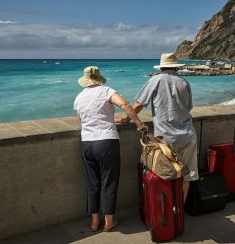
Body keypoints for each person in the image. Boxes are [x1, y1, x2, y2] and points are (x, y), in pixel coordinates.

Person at [74, 66, 148, 232]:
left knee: (93, 184)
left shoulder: (79, 97)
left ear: (85, 80)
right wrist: (139, 124)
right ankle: (109, 222)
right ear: (98, 78)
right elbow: (125, 104)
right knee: (109, 182)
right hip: (106, 141)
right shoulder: (106, 91)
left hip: (87, 142)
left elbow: (82, 119)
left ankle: (94, 222)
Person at [117, 53, 199, 203]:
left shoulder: (155, 80)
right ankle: (179, 212)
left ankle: (166, 212)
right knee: (186, 176)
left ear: (161, 66)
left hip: (166, 139)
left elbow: (138, 104)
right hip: (188, 135)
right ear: (176, 67)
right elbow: (189, 107)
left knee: (165, 175)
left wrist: (127, 118)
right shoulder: (184, 82)